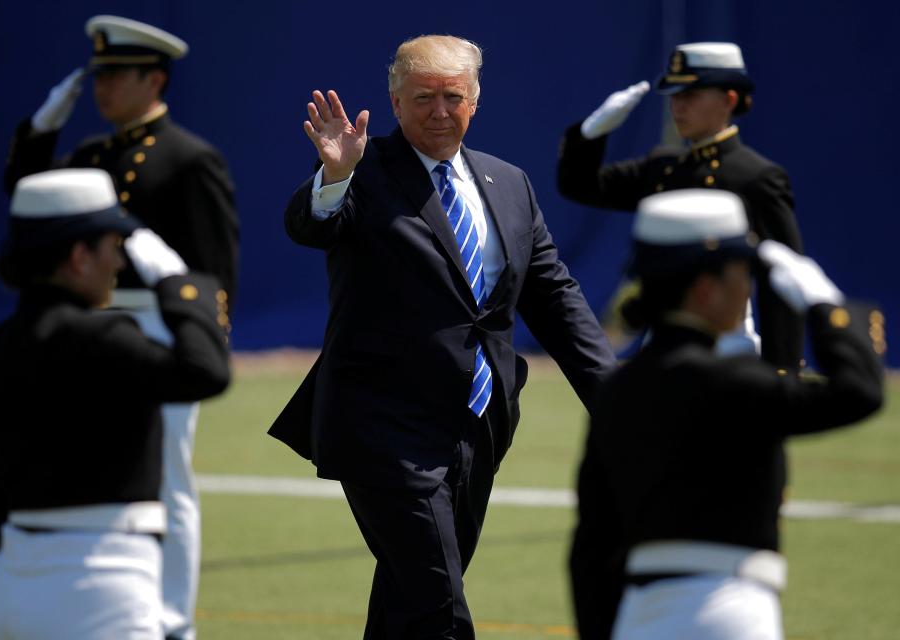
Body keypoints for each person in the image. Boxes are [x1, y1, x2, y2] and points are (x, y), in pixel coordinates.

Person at [268, 34, 616, 639]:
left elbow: (554, 296)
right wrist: (333, 177)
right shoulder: (361, 171)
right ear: (395, 103)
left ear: (474, 102)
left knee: (410, 598)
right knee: (437, 601)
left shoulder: (509, 183)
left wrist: (615, 399)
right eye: (422, 96)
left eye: (452, 96)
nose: (438, 110)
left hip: (479, 422)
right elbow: (311, 225)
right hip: (383, 426)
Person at [2, 16, 239, 638]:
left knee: (166, 479)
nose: (102, 89)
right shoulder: (88, 156)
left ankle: (169, 619)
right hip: (87, 325)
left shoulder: (189, 158)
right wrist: (40, 131)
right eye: (98, 76)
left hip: (159, 327)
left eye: (116, 76)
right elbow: (28, 200)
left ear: (153, 78)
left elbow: (214, 263)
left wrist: (205, 334)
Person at [570, 189, 884, 639]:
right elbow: (859, 391)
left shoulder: (619, 391)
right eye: (743, 273)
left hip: (639, 617)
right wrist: (826, 308)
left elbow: (591, 548)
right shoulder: (734, 382)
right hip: (729, 609)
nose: (748, 288)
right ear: (706, 287)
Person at [0, 168, 231, 639]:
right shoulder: (106, 339)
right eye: (110, 247)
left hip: (8, 591)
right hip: (102, 589)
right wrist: (179, 284)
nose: (118, 264)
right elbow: (205, 371)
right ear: (79, 257)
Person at [558, 42, 804, 370]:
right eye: (674, 95)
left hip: (726, 349)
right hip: (659, 346)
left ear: (728, 99)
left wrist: (782, 369)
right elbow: (580, 187)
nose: (678, 106)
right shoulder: (665, 166)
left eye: (690, 95)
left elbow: (782, 281)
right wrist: (589, 134)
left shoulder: (756, 176)